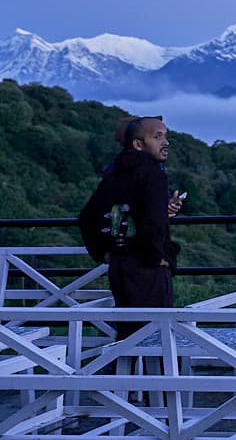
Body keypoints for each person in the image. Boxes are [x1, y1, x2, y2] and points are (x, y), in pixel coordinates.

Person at [77, 115, 183, 339]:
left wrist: (104, 252)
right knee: (156, 337)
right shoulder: (152, 173)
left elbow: (87, 216)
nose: (166, 142)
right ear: (138, 144)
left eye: (166, 136)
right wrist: (158, 257)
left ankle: (122, 372)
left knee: (128, 334)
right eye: (158, 137)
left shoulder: (115, 173)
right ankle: (154, 375)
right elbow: (153, 221)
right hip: (147, 267)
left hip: (120, 264)